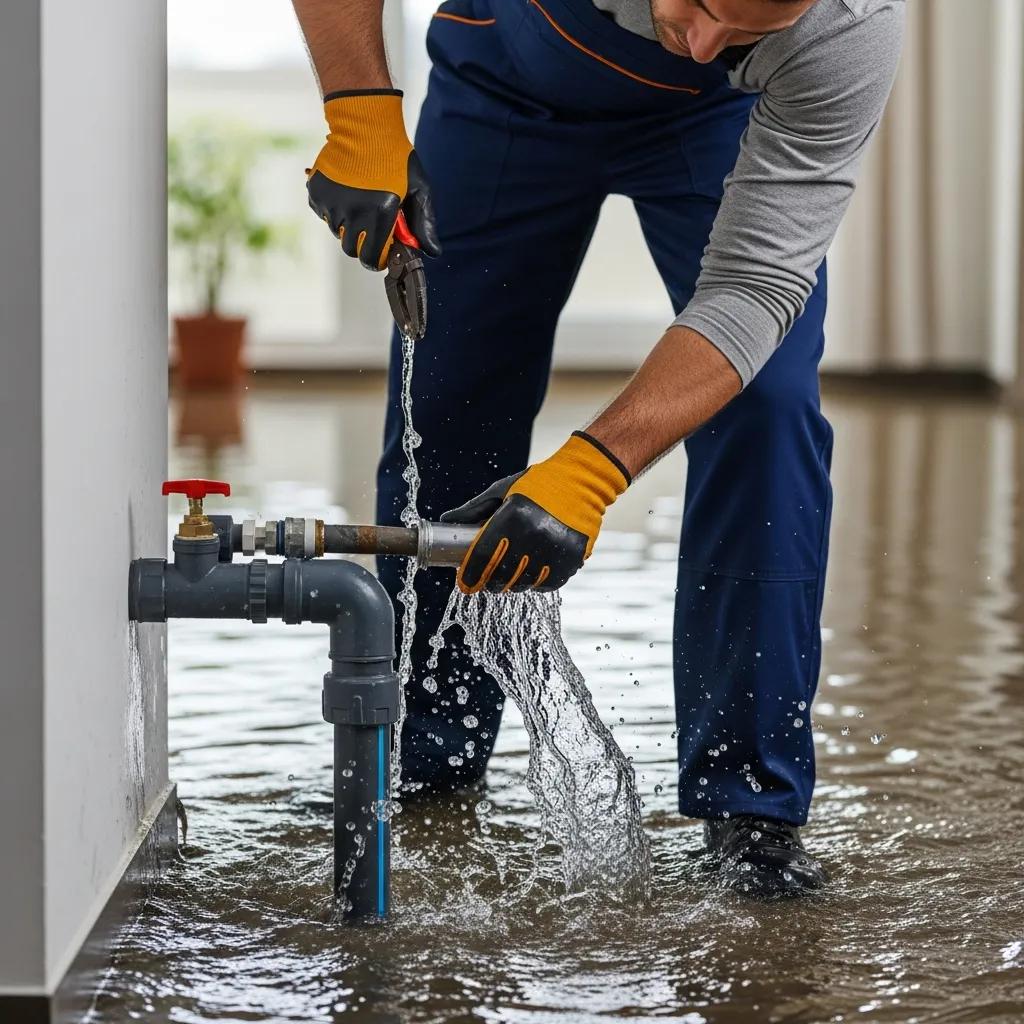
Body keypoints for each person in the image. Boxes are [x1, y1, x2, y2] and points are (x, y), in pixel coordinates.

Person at [292, 0, 905, 897]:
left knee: (768, 408)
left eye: (741, 28)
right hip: (502, 78)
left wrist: (594, 468)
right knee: (450, 402)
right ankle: (425, 754)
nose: (700, 44)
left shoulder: (850, 29)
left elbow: (755, 287)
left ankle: (752, 811)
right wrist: (358, 109)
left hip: (717, 128)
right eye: (693, 4)